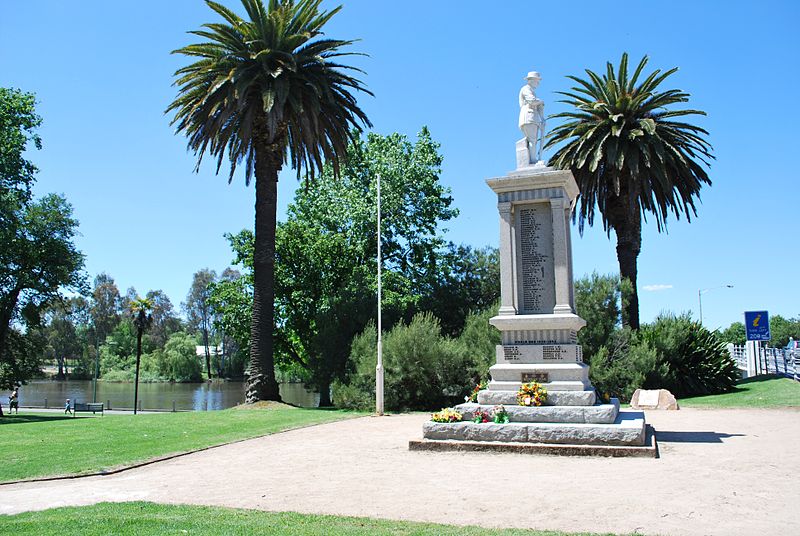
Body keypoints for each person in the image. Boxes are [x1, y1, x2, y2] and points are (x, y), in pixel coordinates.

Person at [518, 71, 545, 164]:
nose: (538, 83)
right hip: (528, 117)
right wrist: (541, 101)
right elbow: (531, 101)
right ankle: (533, 161)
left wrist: (542, 119)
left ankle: (532, 160)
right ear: (531, 80)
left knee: (533, 140)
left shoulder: (532, 91)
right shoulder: (526, 89)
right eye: (537, 80)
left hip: (533, 117)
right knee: (532, 140)